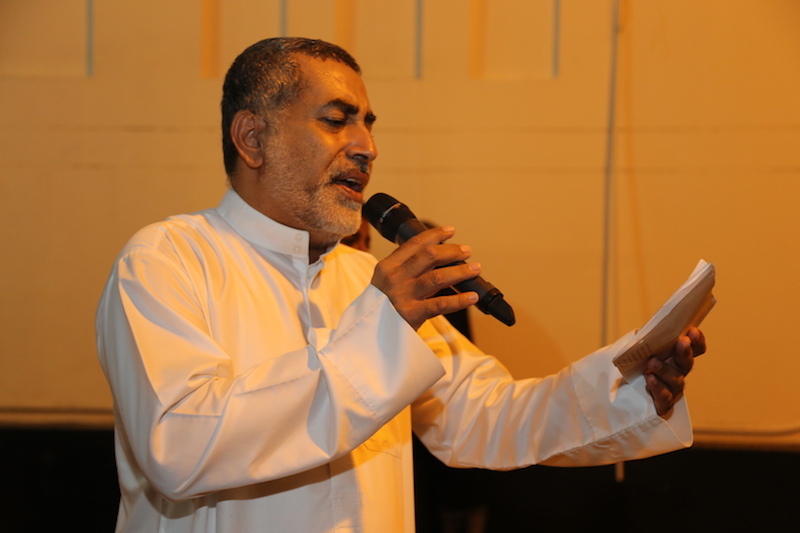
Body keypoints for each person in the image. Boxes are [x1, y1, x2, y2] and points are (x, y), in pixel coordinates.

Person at [96, 37, 706, 533]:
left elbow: (488, 417)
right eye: (336, 121)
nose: (366, 148)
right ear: (252, 138)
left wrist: (631, 384)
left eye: (367, 125)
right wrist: (381, 328)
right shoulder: (167, 260)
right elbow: (179, 447)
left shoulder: (364, 278)